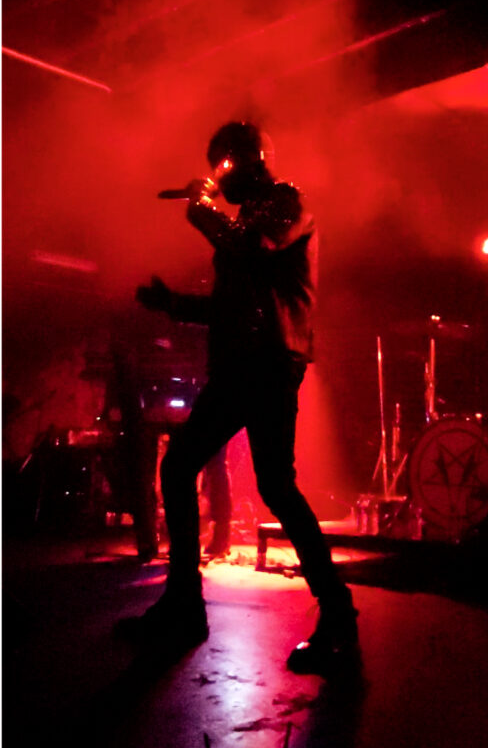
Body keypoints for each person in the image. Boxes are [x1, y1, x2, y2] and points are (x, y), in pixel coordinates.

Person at [125, 121, 358, 674]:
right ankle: (185, 604)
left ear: (246, 160)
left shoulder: (287, 202)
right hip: (242, 367)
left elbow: (248, 247)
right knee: (189, 470)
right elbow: (229, 303)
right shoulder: (247, 221)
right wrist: (172, 303)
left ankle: (337, 617)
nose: (216, 179)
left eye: (220, 166)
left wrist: (200, 209)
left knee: (268, 485)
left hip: (271, 365)